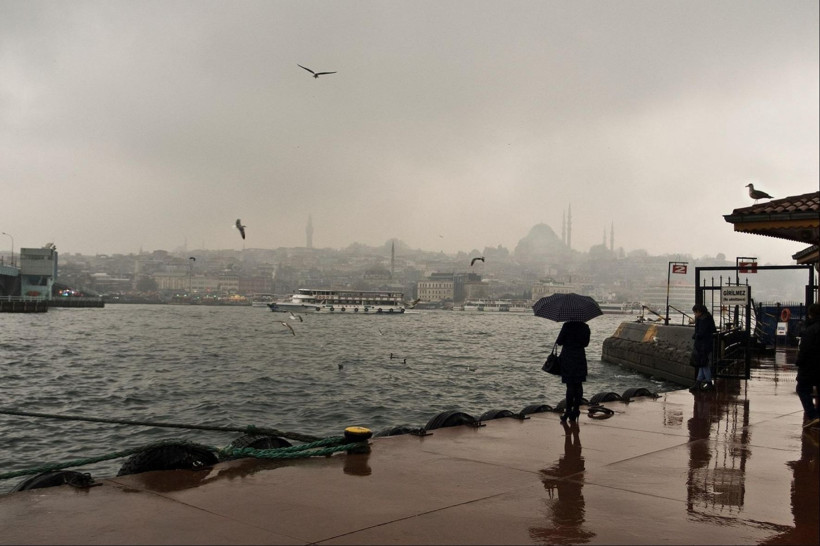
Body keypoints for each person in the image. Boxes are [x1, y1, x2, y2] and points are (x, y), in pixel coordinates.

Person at [556, 320, 590, 422]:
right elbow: (586, 343)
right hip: (579, 357)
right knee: (578, 385)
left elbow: (559, 341)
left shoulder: (567, 325)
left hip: (568, 358)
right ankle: (576, 410)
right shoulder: (585, 327)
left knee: (570, 386)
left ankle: (568, 412)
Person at [796, 303, 820, 429]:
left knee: (802, 389)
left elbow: (804, 349)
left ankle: (813, 415)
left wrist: (799, 362)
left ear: (811, 314)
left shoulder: (809, 330)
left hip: (810, 366)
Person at [690, 303, 717, 392]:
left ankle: (709, 383)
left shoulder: (703, 319)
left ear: (699, 311)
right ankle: (698, 383)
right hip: (707, 344)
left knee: (704, 364)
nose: (694, 314)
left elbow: (701, 332)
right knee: (702, 364)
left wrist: (695, 335)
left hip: (703, 345)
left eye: (695, 312)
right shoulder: (707, 317)